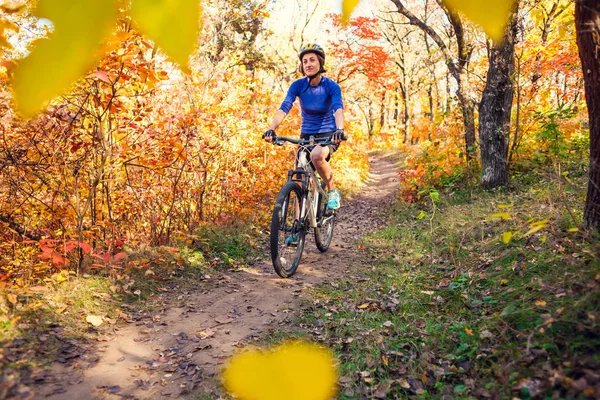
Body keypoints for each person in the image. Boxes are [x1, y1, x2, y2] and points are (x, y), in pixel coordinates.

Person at [263, 43, 345, 211]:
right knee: (299, 177)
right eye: (305, 61)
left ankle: (332, 190)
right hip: (306, 135)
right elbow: (284, 107)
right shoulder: (298, 86)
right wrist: (272, 128)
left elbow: (338, 108)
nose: (308, 64)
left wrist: (340, 129)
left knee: (316, 155)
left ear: (320, 63)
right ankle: (297, 225)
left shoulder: (331, 86)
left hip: (329, 134)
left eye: (312, 60)